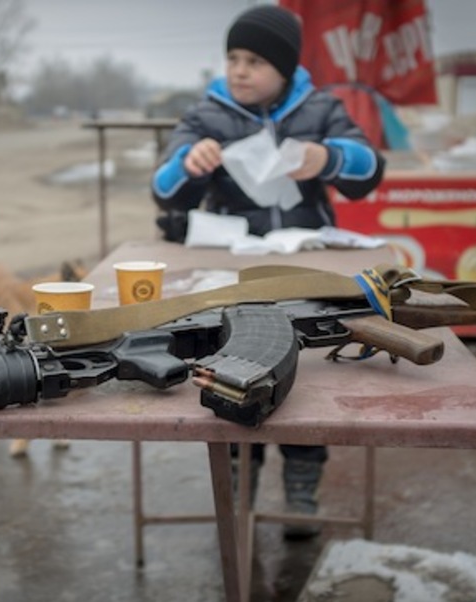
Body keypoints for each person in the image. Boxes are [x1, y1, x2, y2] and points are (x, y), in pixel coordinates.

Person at [150, 4, 386, 540]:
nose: (238, 69)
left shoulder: (321, 110)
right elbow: (162, 188)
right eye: (232, 57)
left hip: (307, 269)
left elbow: (369, 168)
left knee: (310, 378)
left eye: (254, 60)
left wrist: (328, 158)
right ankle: (237, 482)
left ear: (284, 68)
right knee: (234, 370)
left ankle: (302, 488)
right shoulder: (207, 115)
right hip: (230, 273)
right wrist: (188, 162)